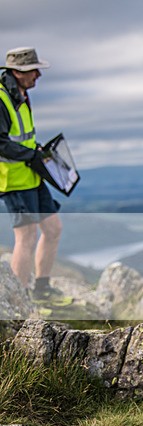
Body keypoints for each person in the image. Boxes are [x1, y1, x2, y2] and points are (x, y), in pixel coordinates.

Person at [0, 47, 64, 302]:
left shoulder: (21, 95)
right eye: (33, 70)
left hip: (32, 174)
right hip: (14, 179)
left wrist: (37, 151)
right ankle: (19, 300)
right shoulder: (1, 98)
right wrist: (32, 156)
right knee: (26, 236)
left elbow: (22, 137)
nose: (38, 74)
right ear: (17, 72)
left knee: (53, 228)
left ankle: (41, 288)